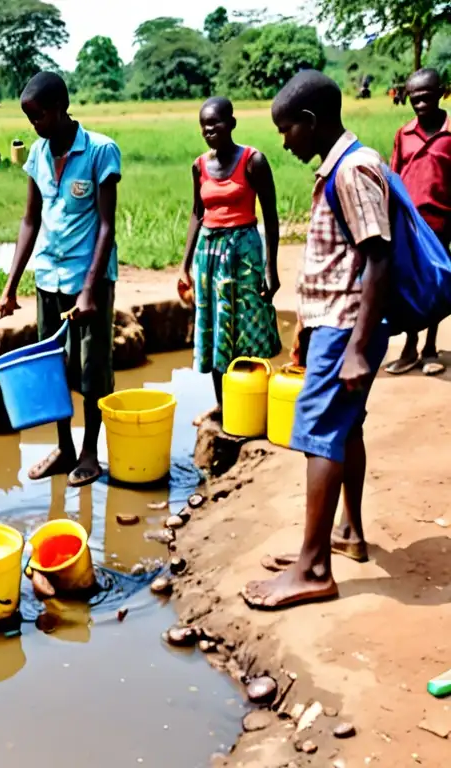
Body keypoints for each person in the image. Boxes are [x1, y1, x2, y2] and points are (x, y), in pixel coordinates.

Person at [242, 70, 391, 610]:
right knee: (345, 429)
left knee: (319, 435)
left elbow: (379, 259)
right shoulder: (339, 168)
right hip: (333, 322)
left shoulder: (352, 170)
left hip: (347, 325)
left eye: (287, 130)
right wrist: (309, 328)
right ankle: (344, 534)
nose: (284, 141)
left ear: (310, 122)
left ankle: (313, 568)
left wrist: (352, 346)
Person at [0, 71, 121, 488]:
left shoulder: (101, 151)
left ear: (60, 109)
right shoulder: (37, 153)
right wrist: (11, 285)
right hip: (48, 278)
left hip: (87, 282)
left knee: (92, 371)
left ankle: (89, 452)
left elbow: (107, 226)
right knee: (54, 369)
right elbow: (31, 220)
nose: (35, 126)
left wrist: (89, 290)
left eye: (39, 116)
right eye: (30, 118)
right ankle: (64, 447)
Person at [179, 97, 282, 425]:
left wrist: (271, 267)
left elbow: (271, 214)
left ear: (232, 124)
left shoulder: (254, 161)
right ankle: (223, 406)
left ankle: (254, 403)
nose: (209, 130)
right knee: (215, 325)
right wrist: (183, 265)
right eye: (204, 125)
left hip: (245, 251)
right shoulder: (199, 166)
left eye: (216, 123)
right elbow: (198, 212)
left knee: (249, 322)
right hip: (208, 253)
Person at [386, 68, 450, 377]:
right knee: (408, 286)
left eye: (426, 98)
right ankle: (410, 346)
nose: (420, 105)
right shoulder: (403, 134)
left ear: (442, 93)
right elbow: (393, 175)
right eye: (414, 99)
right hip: (408, 225)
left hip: (440, 224)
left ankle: (430, 347)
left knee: (435, 286)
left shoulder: (450, 134)